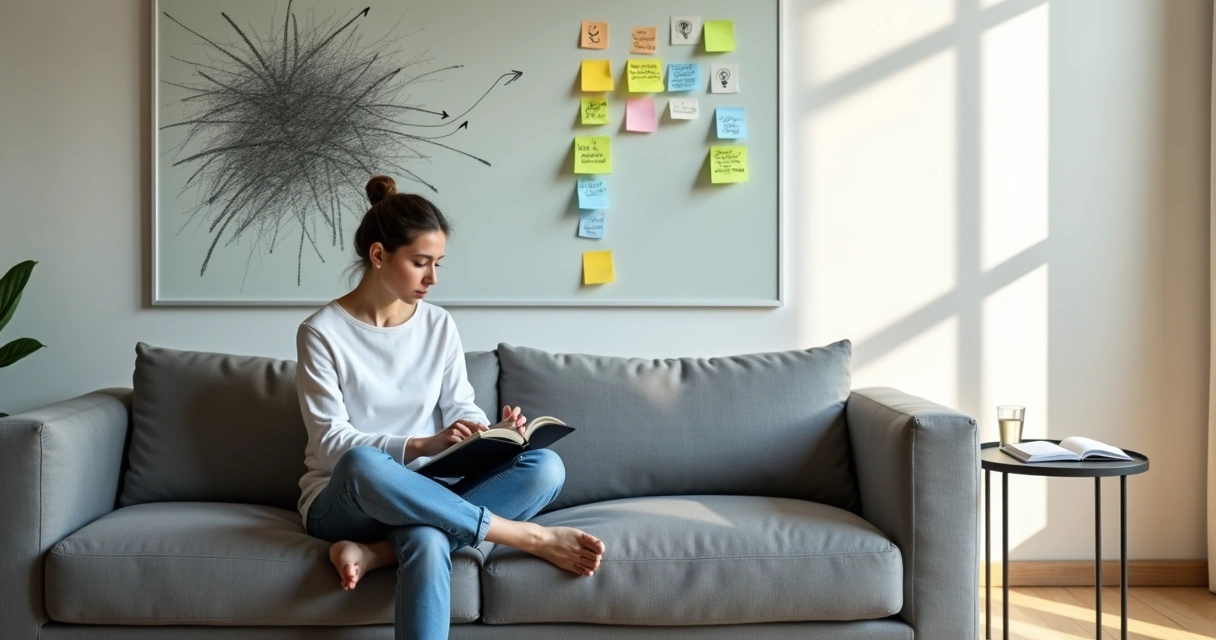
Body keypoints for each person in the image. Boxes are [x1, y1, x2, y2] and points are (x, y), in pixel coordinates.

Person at [296, 175, 605, 639]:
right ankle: (524, 534)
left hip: (428, 487)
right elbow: (330, 444)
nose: (433, 278)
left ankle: (379, 552)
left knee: (544, 467)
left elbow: (460, 404)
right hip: (345, 497)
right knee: (364, 462)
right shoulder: (321, 332)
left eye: (438, 263)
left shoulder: (438, 324)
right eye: (421, 263)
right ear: (379, 256)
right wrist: (421, 443)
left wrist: (490, 433)